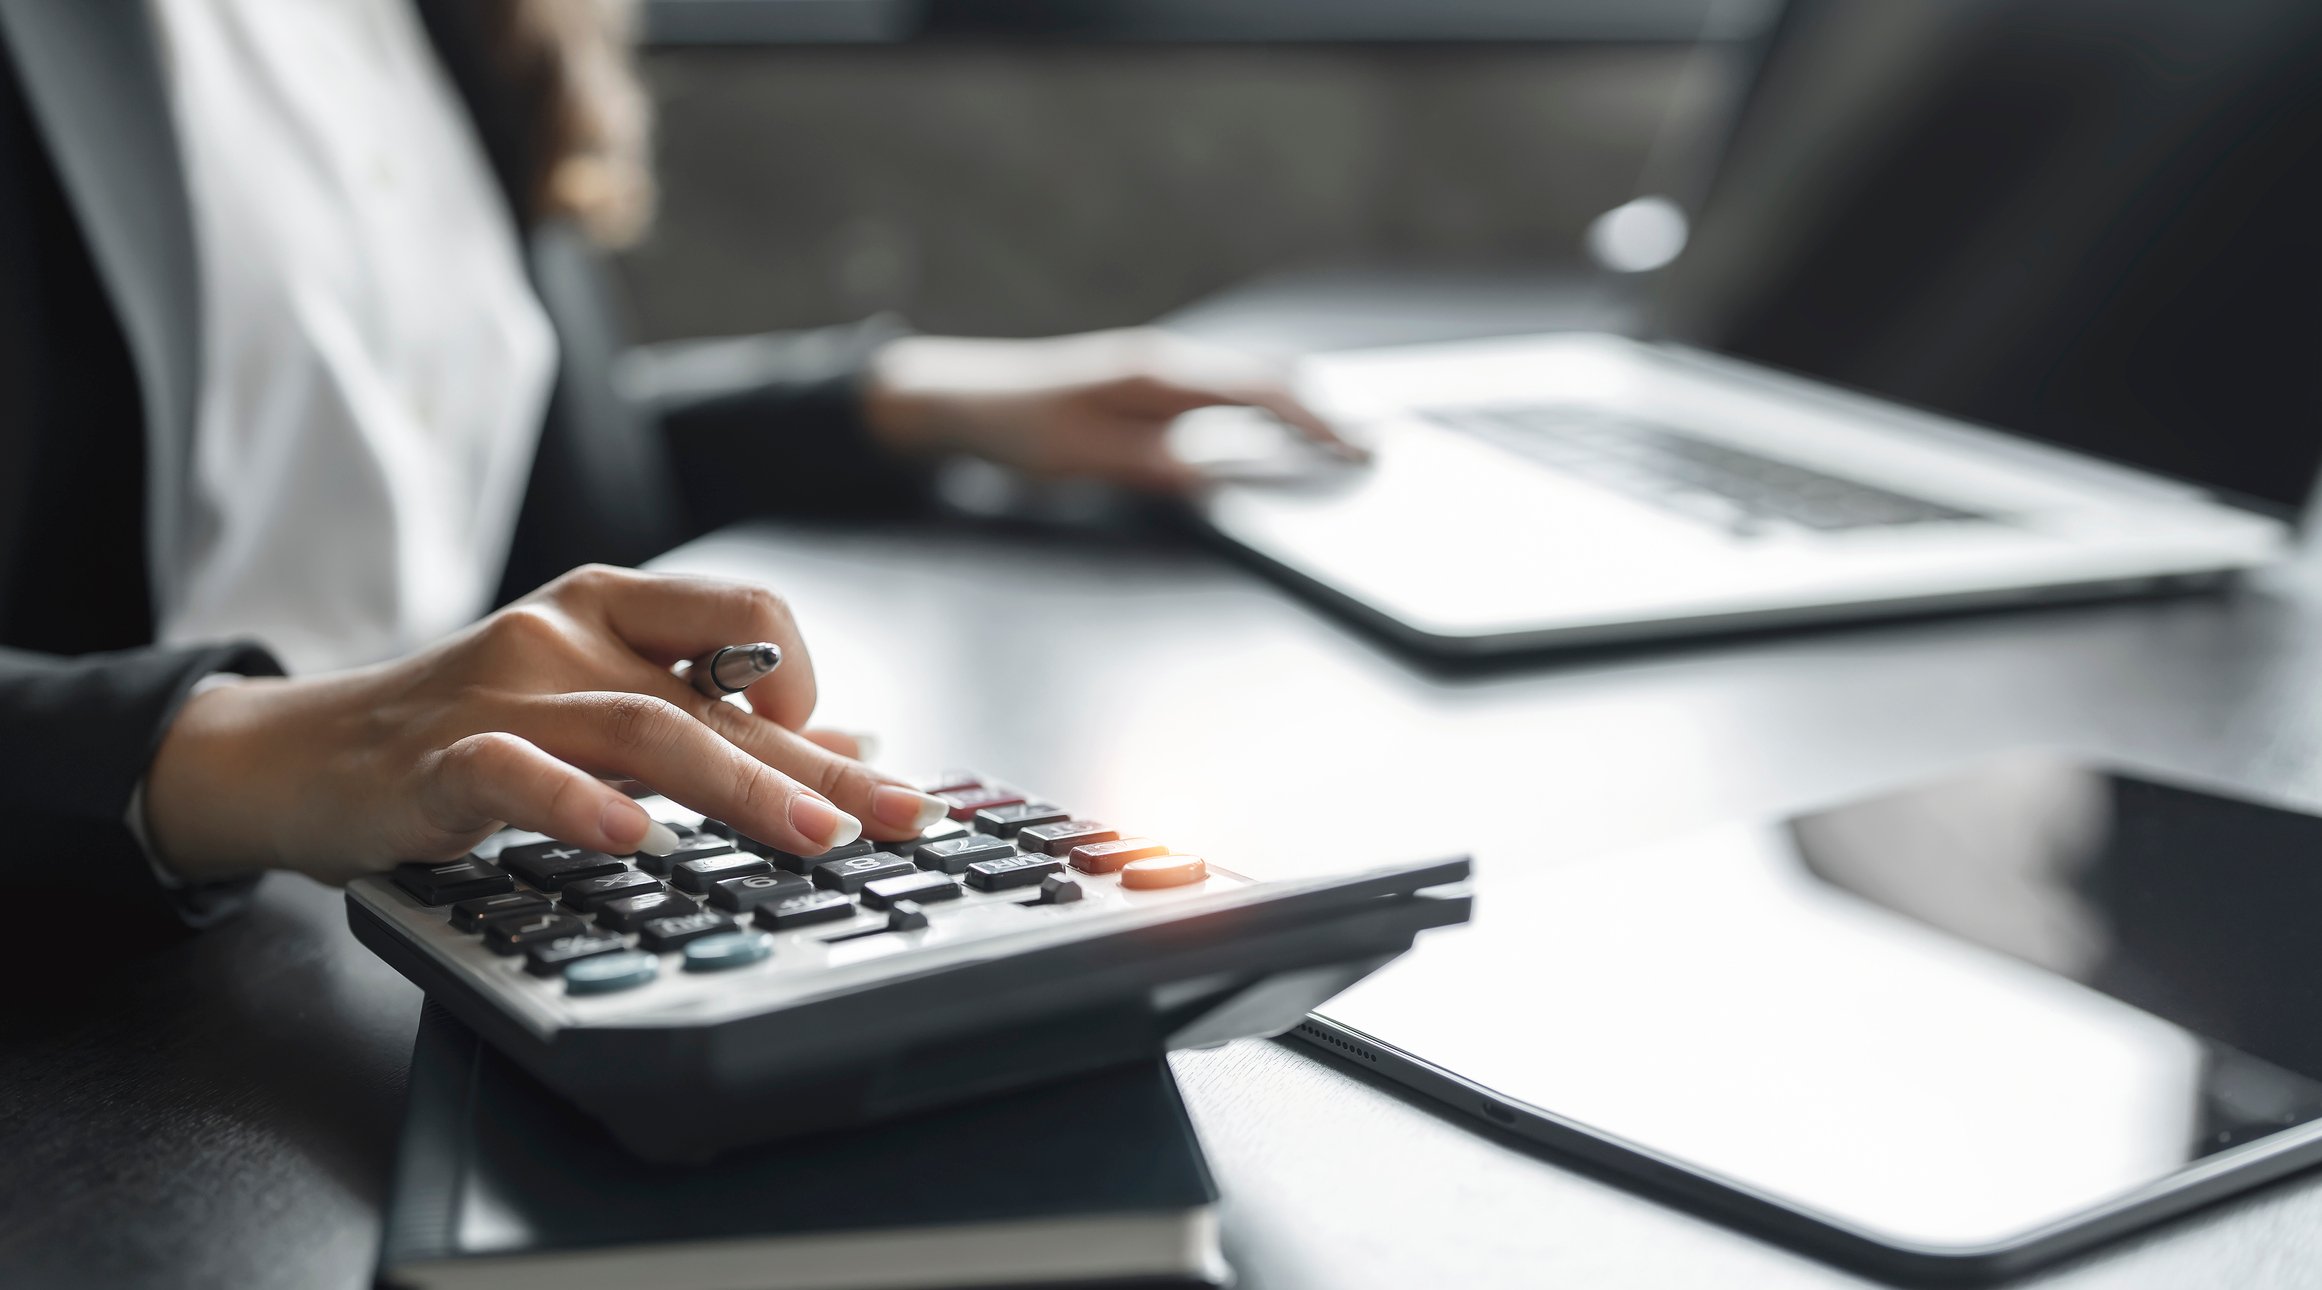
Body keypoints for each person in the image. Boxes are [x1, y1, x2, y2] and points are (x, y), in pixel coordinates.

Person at [0, 0, 1343, 934]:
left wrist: (891, 402)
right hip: (110, 996)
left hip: (465, 904)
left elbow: (418, 455)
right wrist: (241, 752)